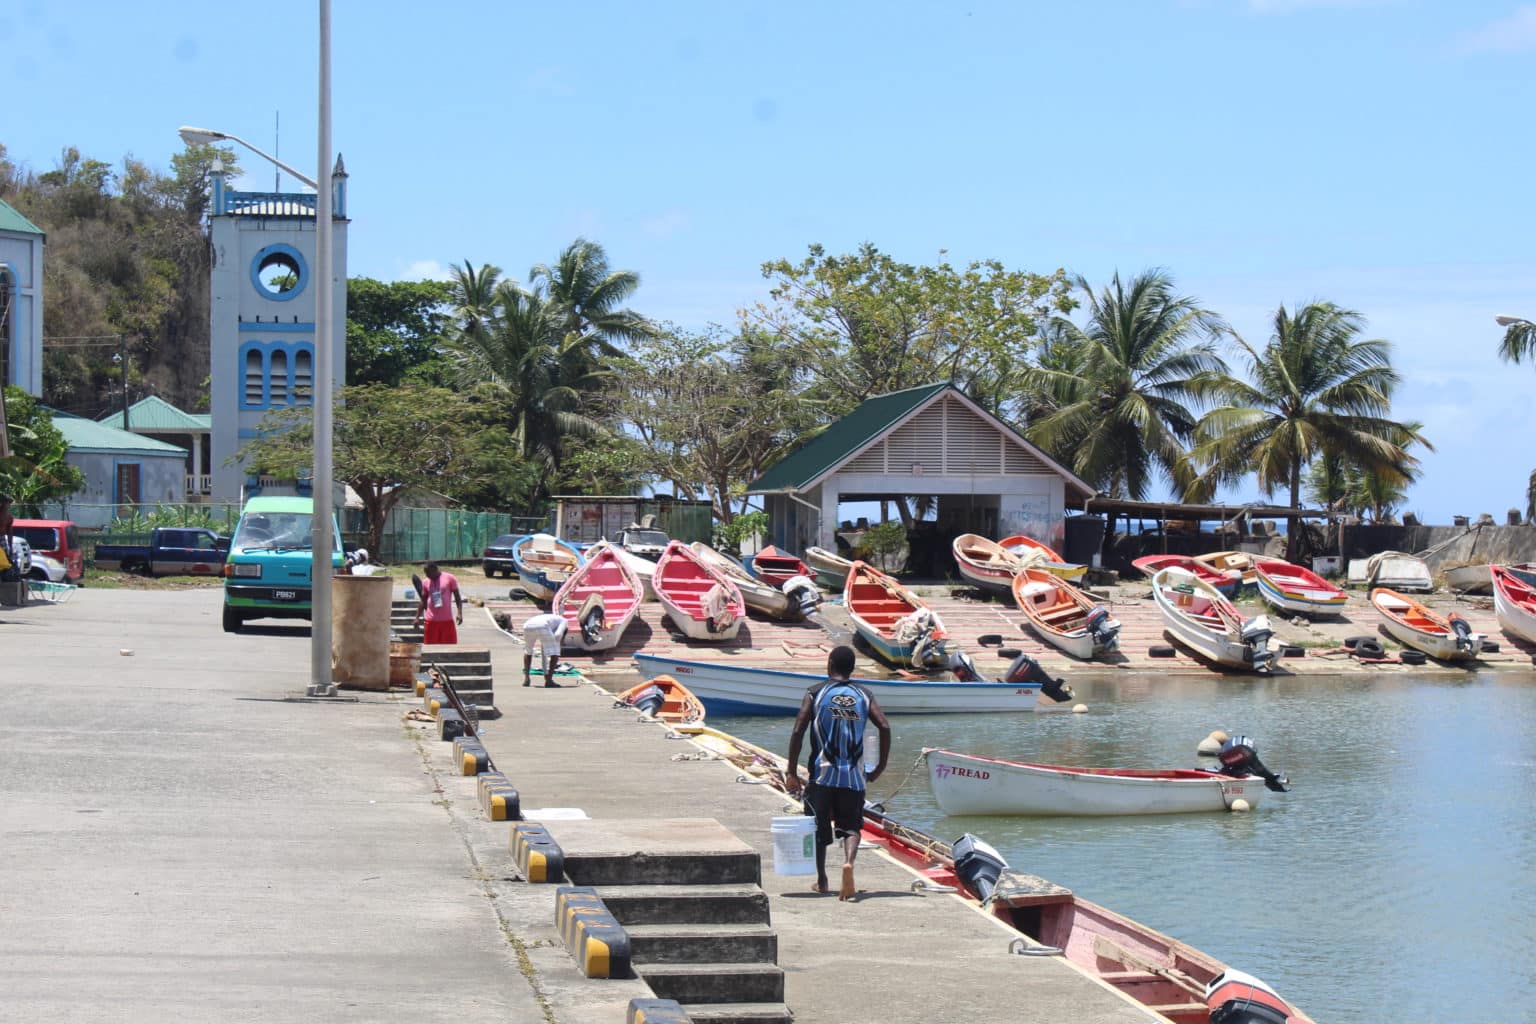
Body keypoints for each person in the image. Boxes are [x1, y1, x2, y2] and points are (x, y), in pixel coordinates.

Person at [785, 645, 891, 901]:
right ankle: (848, 864)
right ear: (852, 668)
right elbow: (885, 727)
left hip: (822, 775)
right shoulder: (863, 694)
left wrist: (791, 770)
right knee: (851, 827)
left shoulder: (816, 693)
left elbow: (799, 729)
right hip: (853, 777)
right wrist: (879, 767)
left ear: (830, 663)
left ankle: (822, 880)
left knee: (817, 827)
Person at [413, 562, 463, 644]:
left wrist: (459, 613)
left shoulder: (450, 578)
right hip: (430, 622)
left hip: (447, 621)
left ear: (435, 570)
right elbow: (423, 600)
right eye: (425, 573)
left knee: (449, 648)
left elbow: (457, 597)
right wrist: (417, 617)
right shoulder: (425, 582)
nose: (427, 575)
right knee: (430, 648)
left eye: (428, 572)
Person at [522, 611, 569, 687]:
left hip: (527, 625)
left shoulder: (553, 620)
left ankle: (526, 679)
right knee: (555, 653)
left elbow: (544, 656)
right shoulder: (564, 621)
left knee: (528, 651)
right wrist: (558, 643)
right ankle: (549, 680)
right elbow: (558, 634)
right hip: (543, 625)